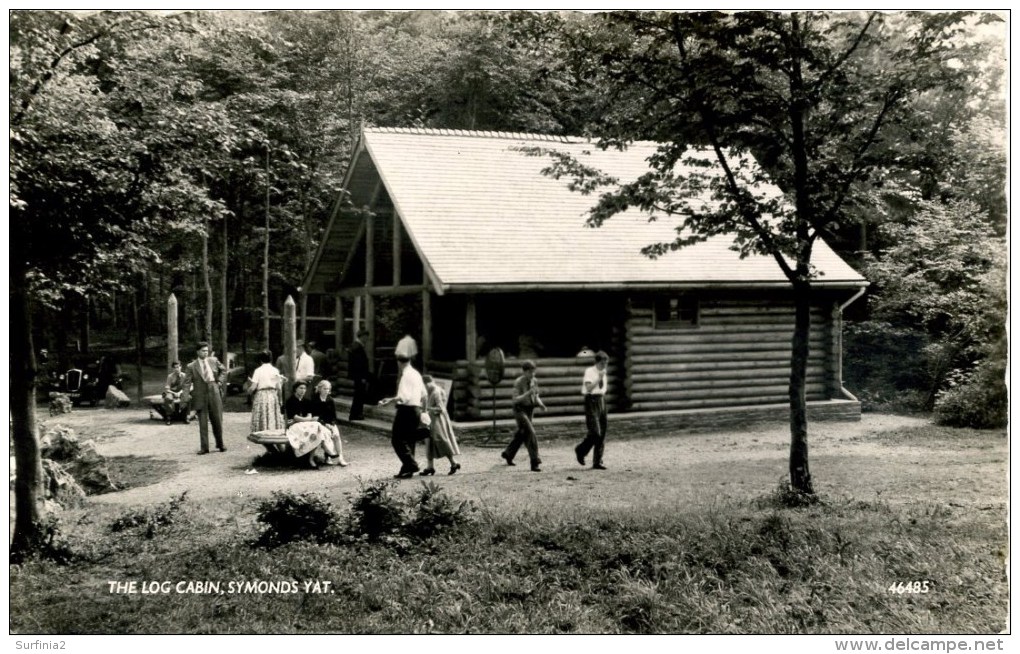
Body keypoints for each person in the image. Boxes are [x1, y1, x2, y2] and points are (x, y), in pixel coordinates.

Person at [378, 354, 426, 478]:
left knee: (397, 440)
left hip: (406, 410)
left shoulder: (406, 375)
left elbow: (404, 397)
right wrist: (423, 411)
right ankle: (407, 469)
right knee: (409, 439)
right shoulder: (416, 374)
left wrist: (389, 400)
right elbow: (424, 394)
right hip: (416, 409)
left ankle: (411, 464)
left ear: (399, 362)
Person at [182, 342, 226, 455]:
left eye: (206, 350)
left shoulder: (213, 360)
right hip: (200, 394)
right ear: (197, 352)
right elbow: (186, 383)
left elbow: (223, 370)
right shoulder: (191, 366)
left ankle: (220, 444)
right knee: (202, 422)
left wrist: (219, 381)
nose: (205, 353)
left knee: (217, 419)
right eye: (203, 351)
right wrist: (185, 397)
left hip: (213, 391)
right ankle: (204, 447)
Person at [501, 360, 546, 472]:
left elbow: (536, 395)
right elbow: (515, 399)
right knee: (531, 433)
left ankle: (508, 454)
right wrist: (528, 393)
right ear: (524, 372)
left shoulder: (534, 381)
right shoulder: (518, 382)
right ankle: (535, 461)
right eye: (530, 372)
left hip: (529, 410)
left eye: (533, 372)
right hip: (519, 409)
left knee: (522, 433)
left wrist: (541, 404)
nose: (532, 374)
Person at [575, 350, 609, 470]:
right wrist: (598, 379)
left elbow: (602, 389)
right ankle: (580, 450)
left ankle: (597, 461)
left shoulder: (603, 372)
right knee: (595, 432)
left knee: (603, 432)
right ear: (597, 362)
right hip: (591, 401)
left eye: (606, 363)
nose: (604, 365)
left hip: (601, 400)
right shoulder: (590, 372)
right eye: (602, 363)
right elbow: (589, 388)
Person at [421, 375, 460, 476]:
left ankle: (453, 463)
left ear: (428, 383)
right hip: (430, 420)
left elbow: (440, 408)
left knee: (441, 440)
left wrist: (428, 408)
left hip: (438, 420)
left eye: (424, 385)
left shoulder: (436, 392)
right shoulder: (430, 391)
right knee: (429, 441)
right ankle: (430, 467)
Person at [284, 381, 324, 469]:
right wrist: (306, 419)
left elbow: (309, 414)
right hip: (294, 425)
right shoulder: (290, 401)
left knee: (317, 427)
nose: (303, 390)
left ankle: (311, 458)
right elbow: (294, 417)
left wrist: (307, 419)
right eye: (300, 388)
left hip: (305, 424)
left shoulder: (307, 401)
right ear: (295, 389)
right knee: (304, 429)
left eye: (304, 388)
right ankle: (301, 457)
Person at [310, 379, 348, 466]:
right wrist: (325, 424)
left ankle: (340, 458)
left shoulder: (330, 400)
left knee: (336, 435)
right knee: (326, 435)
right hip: (319, 423)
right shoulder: (314, 400)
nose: (326, 391)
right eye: (324, 389)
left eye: (328, 389)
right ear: (319, 389)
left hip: (329, 423)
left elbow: (334, 416)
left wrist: (332, 424)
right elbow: (315, 416)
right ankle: (328, 456)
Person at [248, 351, 286, 434]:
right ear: (271, 359)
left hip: (261, 395)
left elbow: (253, 386)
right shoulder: (275, 370)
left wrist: (249, 391)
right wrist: (280, 400)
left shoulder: (258, 370)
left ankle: (261, 431)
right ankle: (271, 430)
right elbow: (278, 387)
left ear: (261, 360)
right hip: (272, 395)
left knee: (262, 414)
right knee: (271, 413)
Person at [347, 329, 371, 421]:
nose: (367, 339)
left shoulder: (355, 346)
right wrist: (362, 377)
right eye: (366, 337)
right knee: (359, 395)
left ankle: (356, 413)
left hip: (357, 375)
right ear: (362, 336)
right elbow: (359, 364)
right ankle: (355, 414)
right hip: (359, 376)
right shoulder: (357, 347)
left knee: (358, 394)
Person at [162, 361, 187, 425]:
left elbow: (186, 387)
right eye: (175, 367)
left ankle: (185, 416)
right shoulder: (170, 376)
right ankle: (169, 417)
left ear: (181, 367)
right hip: (171, 392)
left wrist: (180, 392)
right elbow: (167, 388)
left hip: (181, 392)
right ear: (173, 369)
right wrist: (174, 393)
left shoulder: (184, 376)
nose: (177, 369)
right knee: (168, 398)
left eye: (178, 367)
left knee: (188, 397)